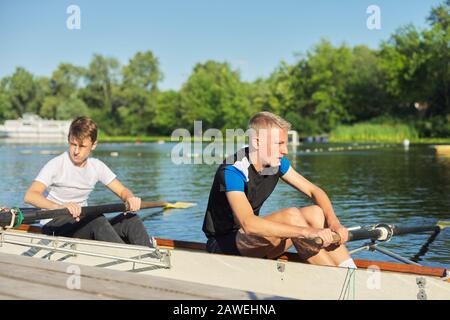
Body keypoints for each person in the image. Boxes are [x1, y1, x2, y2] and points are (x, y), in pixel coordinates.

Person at [202, 111, 356, 268]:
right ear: (257, 142)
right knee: (292, 216)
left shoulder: (275, 164)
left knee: (316, 212)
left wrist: (334, 223)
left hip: (258, 241)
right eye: (279, 144)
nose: (285, 150)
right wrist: (307, 232)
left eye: (285, 143)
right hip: (225, 246)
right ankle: (334, 279)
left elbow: (314, 191)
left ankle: (350, 270)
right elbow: (248, 224)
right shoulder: (233, 170)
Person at [24, 116, 153, 247]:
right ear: (68, 139)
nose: (76, 151)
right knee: (95, 218)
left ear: (94, 145)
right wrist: (59, 206)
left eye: (82, 146)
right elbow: (30, 195)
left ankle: (149, 257)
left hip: (82, 222)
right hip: (54, 225)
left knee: (131, 219)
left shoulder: (96, 166)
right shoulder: (56, 164)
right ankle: (127, 257)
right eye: (73, 144)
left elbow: (122, 191)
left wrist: (130, 198)